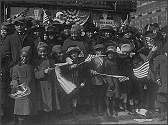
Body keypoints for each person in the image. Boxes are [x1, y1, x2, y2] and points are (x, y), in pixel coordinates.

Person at [33, 42, 60, 122]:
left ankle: (51, 115)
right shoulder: (36, 62)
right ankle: (44, 116)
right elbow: (35, 74)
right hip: (42, 85)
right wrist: (44, 72)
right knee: (43, 101)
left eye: (44, 51)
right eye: (41, 52)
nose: (43, 53)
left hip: (51, 83)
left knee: (52, 99)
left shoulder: (51, 61)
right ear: (38, 52)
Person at [10, 46, 37, 124]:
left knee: (28, 108)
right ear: (20, 56)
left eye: (27, 57)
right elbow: (14, 78)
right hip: (21, 90)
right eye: (23, 56)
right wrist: (15, 84)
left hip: (30, 89)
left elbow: (35, 75)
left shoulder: (31, 67)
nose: (25, 59)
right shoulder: (17, 67)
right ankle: (20, 120)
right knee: (20, 108)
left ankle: (27, 120)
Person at [89, 44, 106, 117]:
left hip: (102, 80)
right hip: (95, 80)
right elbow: (89, 68)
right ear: (95, 52)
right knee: (94, 95)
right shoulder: (93, 59)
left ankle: (100, 108)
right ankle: (94, 109)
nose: (100, 52)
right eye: (98, 51)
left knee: (101, 95)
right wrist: (92, 71)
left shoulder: (105, 59)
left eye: (101, 51)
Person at [104, 46, 120, 117]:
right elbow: (107, 74)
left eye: (112, 54)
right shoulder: (107, 62)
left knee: (115, 96)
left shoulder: (115, 61)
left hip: (116, 80)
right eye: (109, 54)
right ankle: (108, 109)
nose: (110, 55)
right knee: (108, 96)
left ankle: (113, 109)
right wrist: (110, 83)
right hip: (109, 81)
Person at [154, 44, 167, 121]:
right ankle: (162, 114)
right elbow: (156, 71)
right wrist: (158, 79)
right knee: (162, 98)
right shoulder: (159, 58)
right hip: (163, 81)